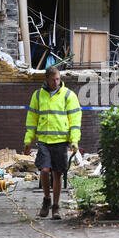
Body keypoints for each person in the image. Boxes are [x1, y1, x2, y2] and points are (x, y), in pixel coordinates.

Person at [24, 66, 82, 219]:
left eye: (58, 79)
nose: (56, 82)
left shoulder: (68, 95)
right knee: (44, 170)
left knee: (57, 174)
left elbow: (75, 120)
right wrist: (28, 140)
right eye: (53, 79)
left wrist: (74, 140)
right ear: (47, 80)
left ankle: (56, 207)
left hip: (61, 141)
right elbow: (32, 119)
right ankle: (46, 200)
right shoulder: (37, 96)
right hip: (43, 141)